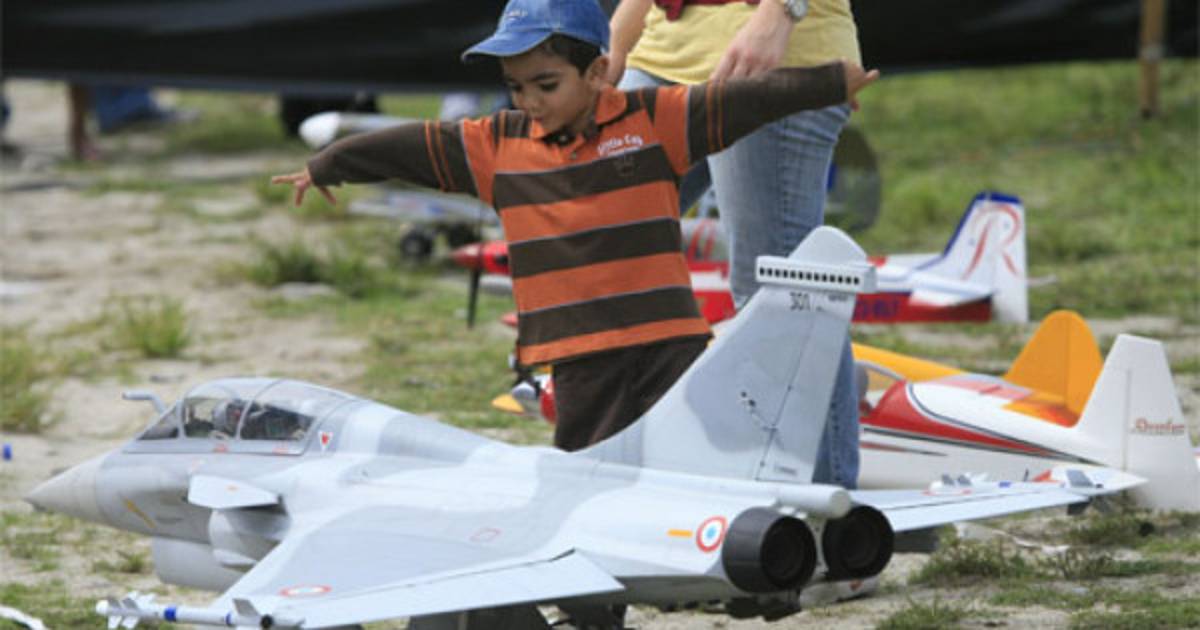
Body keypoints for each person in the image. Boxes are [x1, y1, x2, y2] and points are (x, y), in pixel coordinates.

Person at [272, 0, 877, 453]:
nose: (529, 102)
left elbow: (744, 103)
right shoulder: (504, 140)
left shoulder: (655, 120)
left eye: (543, 85)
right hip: (582, 349)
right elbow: (422, 147)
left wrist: (813, 59)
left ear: (591, 75)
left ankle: (826, 518)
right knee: (592, 461)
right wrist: (330, 164)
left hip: (767, 48)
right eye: (515, 88)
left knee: (771, 311)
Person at [609, 0, 865, 489]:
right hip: (661, 54)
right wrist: (617, 41)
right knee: (605, 253)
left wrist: (779, 15)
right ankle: (646, 467)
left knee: (778, 299)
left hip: (773, 54)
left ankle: (828, 511)